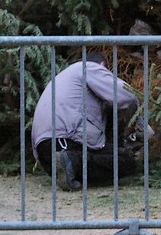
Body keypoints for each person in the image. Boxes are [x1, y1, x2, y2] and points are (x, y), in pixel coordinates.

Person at [31, 52, 141, 191]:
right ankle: (73, 161)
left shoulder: (62, 78)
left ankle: (71, 167)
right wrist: (135, 122)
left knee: (112, 157)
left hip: (45, 154)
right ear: (102, 66)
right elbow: (127, 96)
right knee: (126, 162)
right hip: (66, 141)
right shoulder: (88, 68)